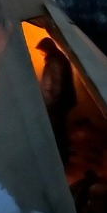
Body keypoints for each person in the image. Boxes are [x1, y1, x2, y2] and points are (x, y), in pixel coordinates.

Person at [37, 37, 76, 165]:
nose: (42, 54)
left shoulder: (55, 62)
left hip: (58, 104)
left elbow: (57, 85)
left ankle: (61, 160)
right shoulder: (58, 59)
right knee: (59, 131)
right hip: (61, 103)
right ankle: (62, 158)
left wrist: (51, 104)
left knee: (58, 132)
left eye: (42, 51)